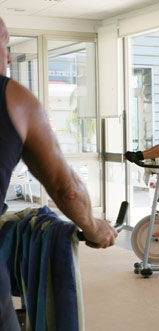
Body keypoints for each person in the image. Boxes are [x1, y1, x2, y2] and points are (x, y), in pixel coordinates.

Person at [0, 17, 118, 331]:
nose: (10, 56)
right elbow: (66, 188)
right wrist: (94, 227)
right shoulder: (14, 99)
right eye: (6, 44)